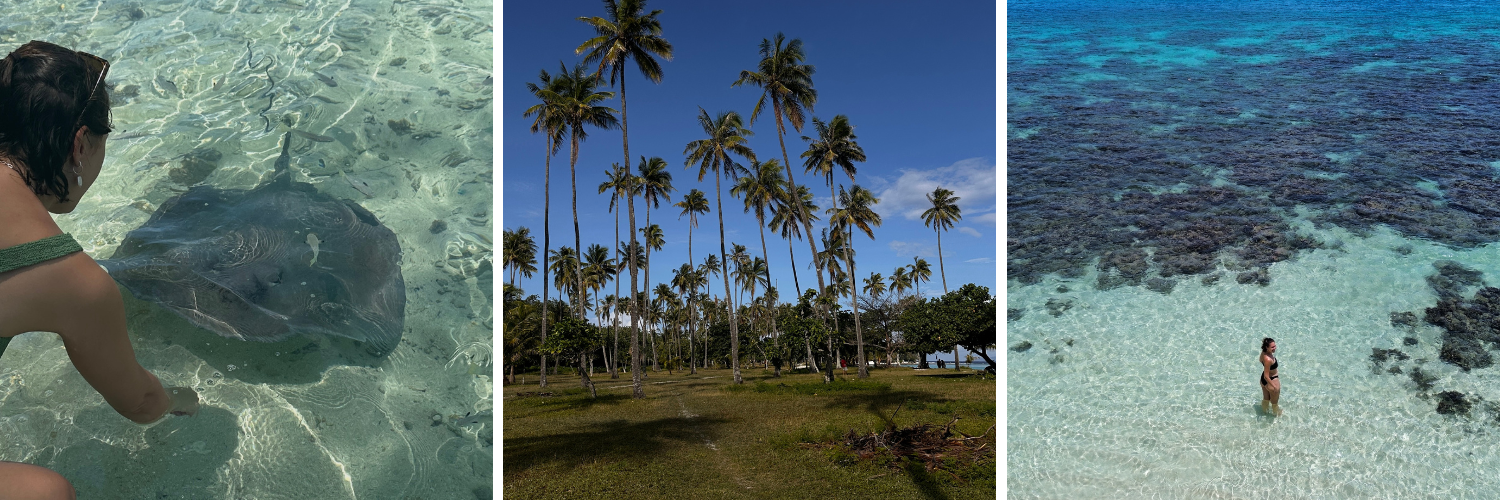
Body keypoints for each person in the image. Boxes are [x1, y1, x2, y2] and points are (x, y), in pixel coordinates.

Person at [0, 40, 199, 500]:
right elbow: (140, 402)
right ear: (80, 144)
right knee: (47, 493)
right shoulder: (71, 280)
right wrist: (180, 399)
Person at [1259, 337, 1281, 417]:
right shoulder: (1268, 359)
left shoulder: (1263, 353)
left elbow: (1260, 360)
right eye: (1272, 347)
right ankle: (1276, 415)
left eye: (1275, 346)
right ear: (1266, 347)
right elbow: (1266, 376)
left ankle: (1264, 412)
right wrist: (1274, 386)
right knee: (1274, 403)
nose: (1274, 348)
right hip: (1271, 380)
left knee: (1266, 399)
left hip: (1263, 381)